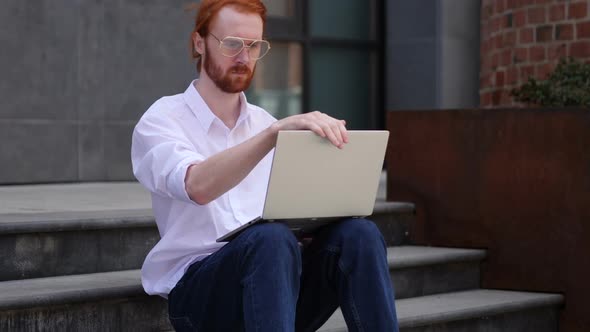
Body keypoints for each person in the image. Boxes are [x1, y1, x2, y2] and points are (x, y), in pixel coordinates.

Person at [131, 0, 398, 331]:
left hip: (274, 283)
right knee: (269, 239)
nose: (244, 57)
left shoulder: (265, 122)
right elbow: (196, 185)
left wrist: (312, 229)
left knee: (359, 234)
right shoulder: (162, 119)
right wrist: (272, 136)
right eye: (232, 44)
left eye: (254, 45)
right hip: (200, 295)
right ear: (199, 43)